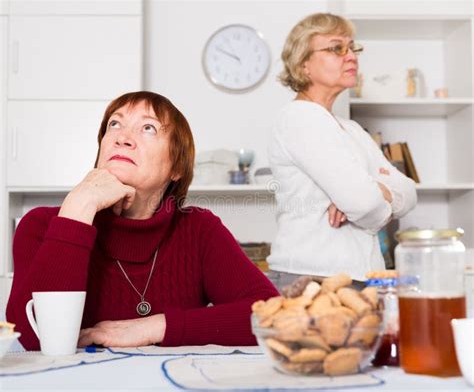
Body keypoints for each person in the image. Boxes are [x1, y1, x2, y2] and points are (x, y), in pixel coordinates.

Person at [6, 91, 278, 350]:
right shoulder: (41, 225)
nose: (122, 138)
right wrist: (79, 206)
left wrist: (152, 328)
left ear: (176, 168)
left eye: (148, 128)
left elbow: (270, 316)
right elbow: (34, 338)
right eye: (114, 124)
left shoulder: (199, 229)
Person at [267, 13, 417, 289]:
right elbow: (364, 203)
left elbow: (409, 192)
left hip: (359, 279)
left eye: (352, 47)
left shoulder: (351, 129)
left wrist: (374, 191)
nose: (351, 56)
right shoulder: (300, 118)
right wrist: (372, 195)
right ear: (304, 65)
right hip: (312, 279)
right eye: (336, 48)